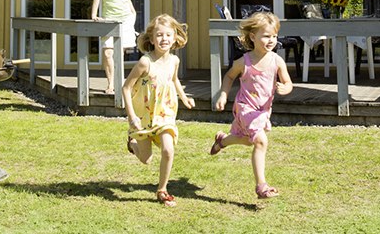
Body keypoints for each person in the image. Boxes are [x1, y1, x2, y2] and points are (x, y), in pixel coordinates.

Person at [210, 11, 293, 199]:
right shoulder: (244, 62)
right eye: (266, 36)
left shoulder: (277, 61)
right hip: (245, 107)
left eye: (274, 36)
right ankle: (261, 186)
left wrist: (284, 88)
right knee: (261, 141)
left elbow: (288, 83)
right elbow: (230, 76)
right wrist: (223, 94)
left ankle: (223, 141)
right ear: (253, 37)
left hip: (262, 112)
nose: (271, 40)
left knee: (248, 141)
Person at [122, 14, 195, 207]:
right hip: (144, 115)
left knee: (168, 150)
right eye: (159, 35)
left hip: (165, 113)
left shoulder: (174, 61)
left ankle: (162, 190)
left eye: (168, 35)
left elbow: (173, 80)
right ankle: (133, 144)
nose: (164, 39)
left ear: (175, 38)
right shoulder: (145, 62)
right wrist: (132, 118)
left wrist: (184, 97)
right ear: (152, 39)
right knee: (146, 159)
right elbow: (126, 88)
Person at [90, 0, 137, 94]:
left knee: (119, 54)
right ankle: (110, 84)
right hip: (109, 19)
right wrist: (93, 15)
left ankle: (119, 83)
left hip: (126, 18)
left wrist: (133, 12)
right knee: (108, 53)